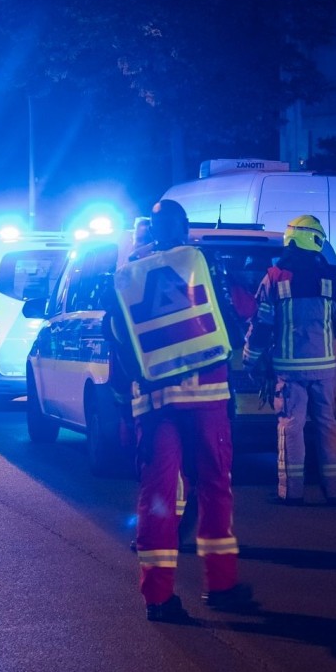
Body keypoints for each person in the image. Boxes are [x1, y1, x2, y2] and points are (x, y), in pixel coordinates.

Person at [105, 199, 253, 622]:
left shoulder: (127, 276)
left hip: (153, 405)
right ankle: (221, 586)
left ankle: (157, 597)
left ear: (151, 230)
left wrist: (122, 404)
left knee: (157, 497)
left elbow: (117, 341)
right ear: (185, 227)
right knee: (214, 488)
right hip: (206, 397)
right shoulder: (203, 262)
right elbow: (235, 313)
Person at [244, 215, 336, 505]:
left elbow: (262, 326)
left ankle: (291, 492)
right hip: (325, 369)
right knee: (328, 425)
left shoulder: (274, 277)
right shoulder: (334, 277)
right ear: (316, 240)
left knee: (291, 426)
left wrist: (250, 358)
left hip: (289, 370)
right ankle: (335, 491)